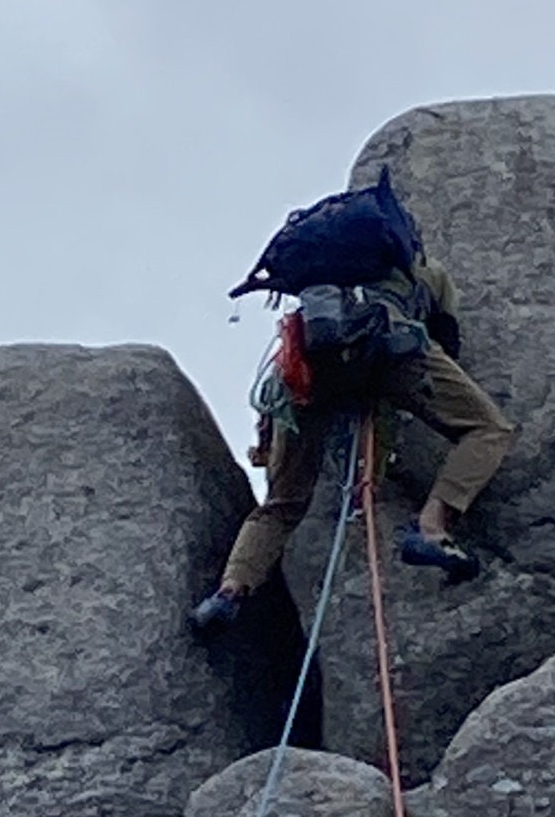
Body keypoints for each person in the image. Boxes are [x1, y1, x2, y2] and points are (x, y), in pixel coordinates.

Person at [191, 245, 515, 632]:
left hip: (307, 368)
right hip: (390, 351)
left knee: (282, 503)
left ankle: (229, 591)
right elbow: (446, 339)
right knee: (488, 428)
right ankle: (432, 527)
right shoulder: (425, 270)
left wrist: (265, 445)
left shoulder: (322, 276)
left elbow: (277, 390)